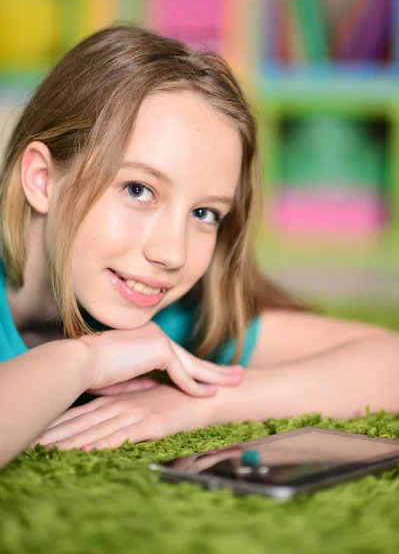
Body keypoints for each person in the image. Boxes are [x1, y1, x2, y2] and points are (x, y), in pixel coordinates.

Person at [0, 26, 398, 469]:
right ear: (41, 178)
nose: (173, 254)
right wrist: (86, 360)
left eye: (205, 214)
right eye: (138, 189)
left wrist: (198, 404)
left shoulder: (175, 318)